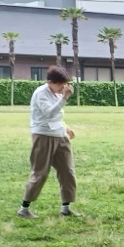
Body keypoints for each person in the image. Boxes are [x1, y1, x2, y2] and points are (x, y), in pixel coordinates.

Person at [17, 66, 79, 219]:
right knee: (40, 172)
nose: (63, 88)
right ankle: (24, 209)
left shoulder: (58, 92)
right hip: (43, 135)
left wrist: (66, 126)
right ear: (49, 82)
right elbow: (49, 112)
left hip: (60, 135)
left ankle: (66, 207)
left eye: (64, 84)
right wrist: (64, 98)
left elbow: (57, 115)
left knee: (67, 171)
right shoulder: (41, 93)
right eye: (60, 84)